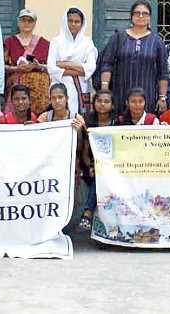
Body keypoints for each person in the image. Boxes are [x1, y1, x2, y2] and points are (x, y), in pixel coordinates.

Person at [99, 0, 167, 114]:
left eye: (145, 13)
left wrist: (162, 97)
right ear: (131, 16)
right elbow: (107, 64)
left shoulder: (156, 41)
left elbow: (163, 72)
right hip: (121, 93)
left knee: (144, 128)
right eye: (137, 13)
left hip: (147, 96)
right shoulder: (118, 38)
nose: (141, 16)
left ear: (150, 17)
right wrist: (104, 91)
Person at [47, 7, 97, 116]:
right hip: (59, 87)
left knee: (79, 121)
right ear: (65, 21)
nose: (73, 24)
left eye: (77, 21)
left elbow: (91, 67)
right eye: (70, 21)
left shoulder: (87, 42)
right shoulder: (56, 42)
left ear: (82, 24)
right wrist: (79, 69)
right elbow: (51, 67)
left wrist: (64, 64)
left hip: (81, 87)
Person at [78, 89, 116, 232]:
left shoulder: (117, 123)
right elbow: (85, 153)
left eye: (106, 101)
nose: (102, 104)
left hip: (113, 166)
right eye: (99, 101)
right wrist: (90, 167)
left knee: (103, 175)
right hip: (91, 168)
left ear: (112, 105)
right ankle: (88, 215)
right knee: (99, 176)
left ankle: (87, 214)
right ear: (94, 104)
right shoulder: (89, 123)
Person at [4, 9, 51, 115]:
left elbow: (51, 66)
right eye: (23, 20)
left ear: (35, 23)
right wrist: (16, 69)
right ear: (18, 22)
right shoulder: (9, 42)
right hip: (18, 90)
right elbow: (1, 65)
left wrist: (38, 66)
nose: (26, 23)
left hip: (39, 92)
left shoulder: (44, 43)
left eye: (30, 21)